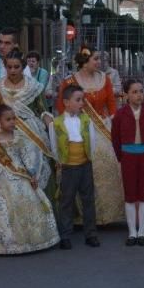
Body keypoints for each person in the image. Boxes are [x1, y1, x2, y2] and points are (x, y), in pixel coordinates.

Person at [0, 104, 59, 255]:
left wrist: (32, 173)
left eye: (14, 119)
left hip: (18, 175)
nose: (13, 122)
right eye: (8, 119)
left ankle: (28, 241)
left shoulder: (19, 136)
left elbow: (25, 157)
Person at [54, 48, 125, 225]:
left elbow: (112, 106)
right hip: (77, 128)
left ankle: (107, 215)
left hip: (102, 127)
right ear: (84, 62)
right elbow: (62, 109)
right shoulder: (69, 81)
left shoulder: (105, 79)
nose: (99, 62)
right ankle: (80, 217)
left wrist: (113, 125)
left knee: (110, 165)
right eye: (95, 59)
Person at [0, 51, 53, 166]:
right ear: (5, 67)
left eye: (16, 67)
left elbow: (44, 112)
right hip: (0, 131)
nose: (12, 70)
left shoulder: (34, 86)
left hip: (29, 132)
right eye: (9, 67)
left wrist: (55, 132)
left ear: (23, 67)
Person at [49, 85, 99, 249]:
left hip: (85, 165)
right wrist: (61, 164)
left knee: (88, 201)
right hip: (68, 168)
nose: (82, 103)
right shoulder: (55, 124)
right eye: (78, 100)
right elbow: (54, 147)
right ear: (66, 102)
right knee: (66, 202)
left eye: (82, 99)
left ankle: (90, 234)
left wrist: (88, 159)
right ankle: (65, 236)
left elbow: (92, 142)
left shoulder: (86, 121)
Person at [111, 79, 144, 246]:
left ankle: (142, 232)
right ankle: (132, 232)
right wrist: (121, 157)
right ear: (126, 95)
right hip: (127, 156)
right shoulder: (120, 114)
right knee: (130, 195)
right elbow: (115, 138)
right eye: (134, 92)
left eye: (141, 91)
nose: (139, 95)